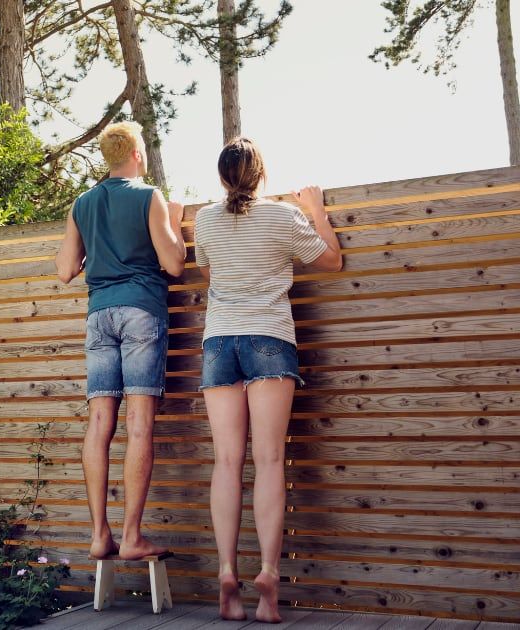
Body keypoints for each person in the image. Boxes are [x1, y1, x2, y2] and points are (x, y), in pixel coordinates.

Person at [192, 137, 343, 622]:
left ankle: (226, 574)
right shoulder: (283, 217)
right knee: (271, 459)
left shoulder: (207, 220)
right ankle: (270, 578)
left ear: (221, 178)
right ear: (262, 175)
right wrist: (316, 210)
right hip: (269, 339)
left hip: (219, 344)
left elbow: (210, 270)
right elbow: (331, 261)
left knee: (227, 462)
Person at [55, 121, 187, 561]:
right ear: (136, 155)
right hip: (140, 310)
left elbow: (64, 269)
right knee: (140, 424)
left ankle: (99, 536)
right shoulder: (147, 195)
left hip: (98, 316)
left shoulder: (82, 203)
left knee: (98, 425)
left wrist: (99, 239)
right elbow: (174, 264)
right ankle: (131, 537)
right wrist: (172, 222)